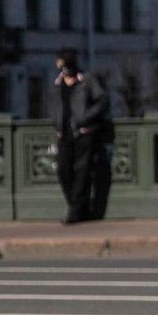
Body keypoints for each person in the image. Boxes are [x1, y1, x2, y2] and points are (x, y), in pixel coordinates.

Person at [51, 49, 113, 225]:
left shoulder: (86, 80)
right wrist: (56, 124)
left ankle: (75, 212)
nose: (59, 65)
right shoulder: (58, 83)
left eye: (61, 62)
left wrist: (85, 119)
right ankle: (78, 208)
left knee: (82, 172)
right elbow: (53, 105)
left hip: (84, 133)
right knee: (63, 170)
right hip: (64, 134)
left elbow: (103, 100)